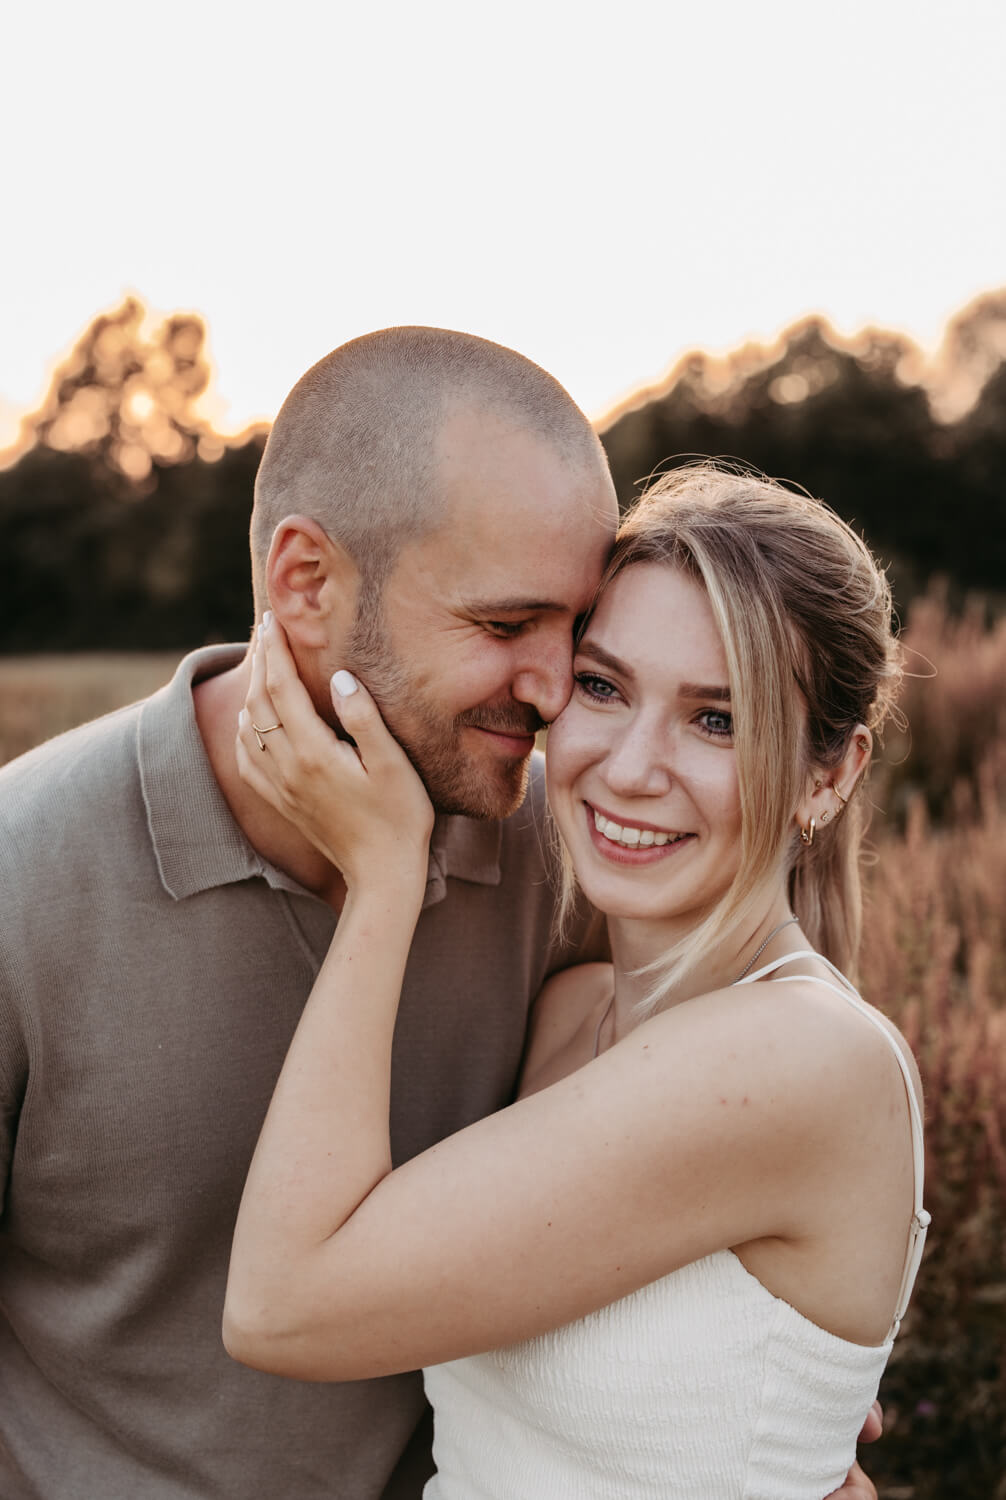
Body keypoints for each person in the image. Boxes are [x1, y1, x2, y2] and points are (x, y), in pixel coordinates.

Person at [223, 463, 925, 1498]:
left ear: (831, 776)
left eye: (715, 720)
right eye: (602, 687)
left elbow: (283, 1304)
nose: (630, 766)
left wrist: (384, 879)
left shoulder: (806, 1055)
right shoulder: (565, 1015)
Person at [0, 328, 617, 1499]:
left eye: (575, 631)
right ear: (306, 582)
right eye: (503, 626)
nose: (553, 690)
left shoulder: (568, 859)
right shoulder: (18, 877)